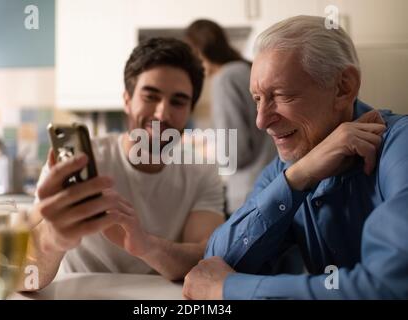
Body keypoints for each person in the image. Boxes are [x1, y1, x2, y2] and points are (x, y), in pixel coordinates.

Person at [183, 15, 408, 299]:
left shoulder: (401, 147)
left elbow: (389, 286)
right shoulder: (286, 171)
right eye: (256, 99)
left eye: (280, 95)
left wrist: (229, 289)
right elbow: (217, 260)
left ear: (344, 87)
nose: (261, 121)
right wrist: (301, 175)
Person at [24, 38, 225, 290]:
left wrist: (145, 245)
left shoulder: (203, 173)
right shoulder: (79, 161)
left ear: (189, 110)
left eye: (178, 101)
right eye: (150, 96)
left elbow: (205, 259)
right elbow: (22, 275)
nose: (162, 113)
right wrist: (54, 238)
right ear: (127, 100)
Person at [185, 19, 276, 214]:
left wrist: (200, 154)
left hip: (250, 195)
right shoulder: (246, 70)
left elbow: (234, 154)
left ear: (199, 52)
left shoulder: (225, 79)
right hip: (273, 185)